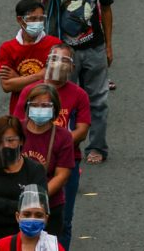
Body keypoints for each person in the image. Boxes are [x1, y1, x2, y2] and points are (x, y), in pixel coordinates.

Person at [33, 0, 115, 165]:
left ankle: (97, 146)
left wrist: (108, 46)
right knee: (61, 99)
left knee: (98, 100)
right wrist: (42, 34)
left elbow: (107, 10)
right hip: (63, 50)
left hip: (94, 47)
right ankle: (62, 145)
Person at [12, 46, 91, 250]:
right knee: (24, 216)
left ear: (72, 67)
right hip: (28, 161)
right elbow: (15, 126)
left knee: (62, 218)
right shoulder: (31, 91)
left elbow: (82, 129)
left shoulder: (79, 95)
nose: (59, 64)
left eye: (65, 61)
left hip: (65, 160)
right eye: (55, 59)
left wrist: (58, 144)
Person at [0, 116, 48, 250]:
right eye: (0, 142)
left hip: (26, 242)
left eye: (11, 140)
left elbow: (38, 207)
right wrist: (20, 212)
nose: (5, 145)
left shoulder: (35, 170)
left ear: (21, 141)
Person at [19, 84, 74, 237]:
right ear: (27, 107)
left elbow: (61, 175)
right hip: (15, 204)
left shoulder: (63, 137)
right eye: (35, 105)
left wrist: (35, 198)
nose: (39, 109)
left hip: (49, 205)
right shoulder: (16, 130)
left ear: (54, 108)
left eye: (45, 105)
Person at [0, 0, 63, 114]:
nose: (38, 22)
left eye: (41, 18)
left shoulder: (55, 45)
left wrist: (18, 78)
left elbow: (54, 82)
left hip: (49, 111)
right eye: (32, 19)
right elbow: (7, 86)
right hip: (20, 111)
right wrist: (39, 76)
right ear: (20, 20)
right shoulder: (7, 48)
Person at [0, 184, 65, 251]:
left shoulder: (54, 248)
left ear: (46, 219)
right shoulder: (2, 246)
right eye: (27, 214)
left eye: (39, 215)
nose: (32, 219)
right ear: (18, 217)